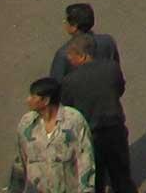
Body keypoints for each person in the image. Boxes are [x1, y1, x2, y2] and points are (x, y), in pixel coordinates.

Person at [53, 38, 130, 193]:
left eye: (71, 55)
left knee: (94, 179)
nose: (69, 58)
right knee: (122, 177)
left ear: (82, 56)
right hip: (115, 130)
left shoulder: (70, 81)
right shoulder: (112, 68)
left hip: (89, 136)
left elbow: (67, 108)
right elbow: (119, 89)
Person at [9, 78, 94, 193]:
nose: (28, 100)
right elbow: (19, 163)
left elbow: (86, 161)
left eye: (33, 97)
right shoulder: (26, 124)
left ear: (46, 100)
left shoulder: (74, 121)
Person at [48, 6, 120, 85]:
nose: (65, 22)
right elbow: (116, 73)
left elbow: (55, 86)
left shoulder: (64, 54)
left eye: (66, 20)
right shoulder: (108, 41)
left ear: (74, 26)